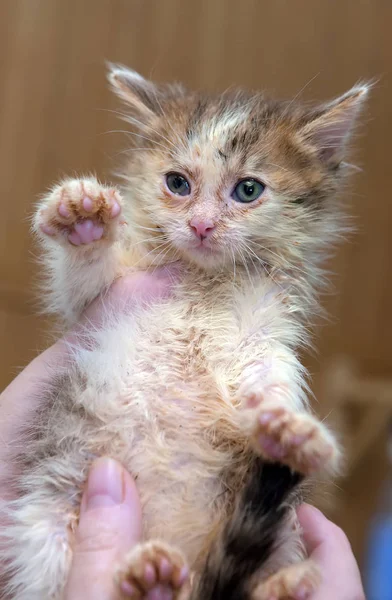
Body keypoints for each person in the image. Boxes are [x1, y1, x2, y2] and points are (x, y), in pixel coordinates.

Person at [0, 270, 365, 600]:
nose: (203, 222)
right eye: (179, 188)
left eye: (247, 190)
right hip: (77, 523)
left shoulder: (263, 300)